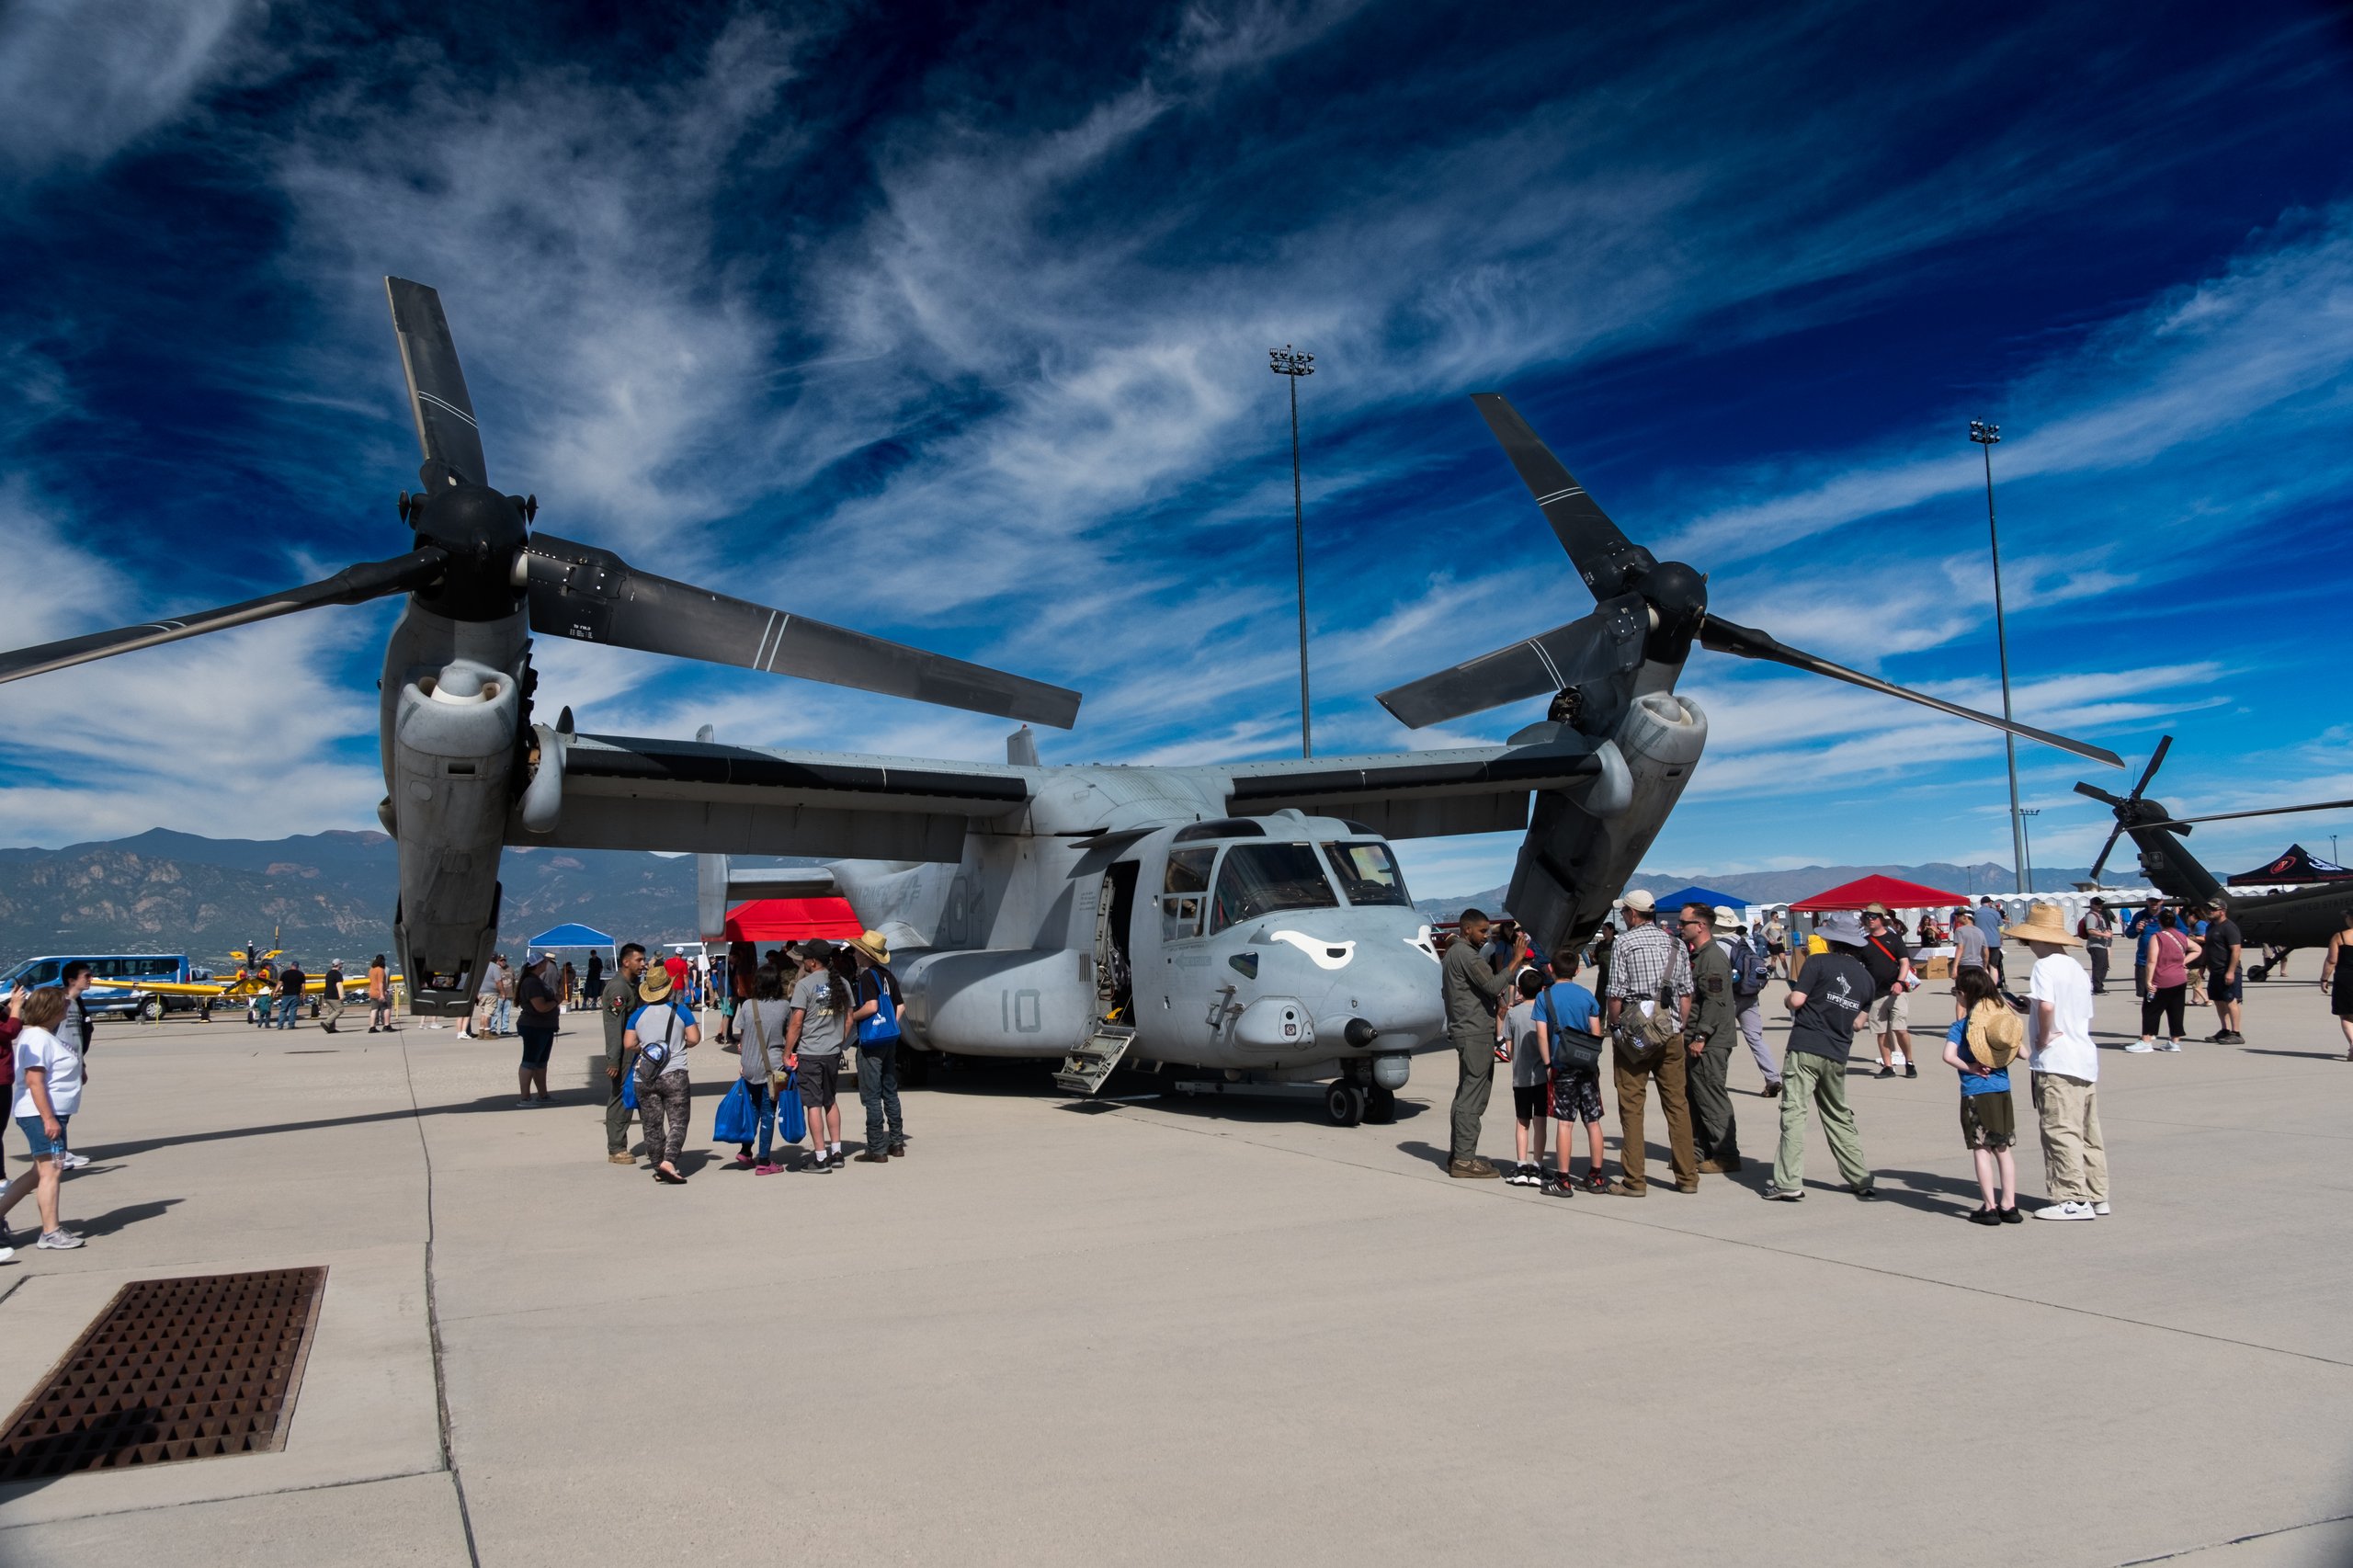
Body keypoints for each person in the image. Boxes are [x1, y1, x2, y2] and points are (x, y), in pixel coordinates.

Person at [1766, 912, 1878, 1202]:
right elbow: (1858, 1023)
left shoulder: (1817, 962)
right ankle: (1860, 1178)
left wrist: (1788, 1000)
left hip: (1806, 1045)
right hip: (1838, 1051)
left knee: (1794, 1113)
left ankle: (1789, 1181)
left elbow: (1798, 999)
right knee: (1838, 1114)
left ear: (1830, 940)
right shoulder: (1866, 979)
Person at [2004, 903, 2106, 1221]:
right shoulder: (2074, 966)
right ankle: (2096, 1193)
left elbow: (2048, 1007)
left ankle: (2071, 1198)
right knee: (2088, 1131)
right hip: (2084, 1057)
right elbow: (2064, 1007)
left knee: (2060, 1130)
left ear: (2037, 938)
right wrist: (2030, 1008)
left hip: (2058, 1060)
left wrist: (2043, 1037)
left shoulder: (2044, 966)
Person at [1603, 890, 1698, 1196]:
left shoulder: (1624, 943)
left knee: (1632, 1105)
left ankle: (1635, 1180)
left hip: (1636, 1031)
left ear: (1632, 913)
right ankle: (1687, 1177)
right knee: (1677, 1105)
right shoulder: (1676, 943)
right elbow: (1686, 992)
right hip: (1670, 1029)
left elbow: (1615, 993)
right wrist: (1679, 1024)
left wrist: (1615, 1026)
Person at [1942, 966, 2024, 1225]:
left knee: (1981, 1148)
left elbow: (1948, 1056)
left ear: (1965, 994)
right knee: (2003, 1148)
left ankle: (1989, 1206)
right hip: (2002, 1090)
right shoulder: (1999, 1024)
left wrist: (1972, 1068)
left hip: (1976, 1092)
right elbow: (2022, 1052)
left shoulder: (1960, 1026)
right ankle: (2009, 1204)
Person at [0, 986, 79, 1250]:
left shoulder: (43, 1036)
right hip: (41, 1114)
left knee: (39, 1172)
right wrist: (48, 1119)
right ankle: (50, 1232)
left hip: (49, 1113)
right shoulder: (37, 1037)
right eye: (64, 1005)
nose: (68, 1009)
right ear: (52, 1008)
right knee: (52, 1170)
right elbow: (35, 1082)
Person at [1441, 908, 1516, 1178]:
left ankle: (1460, 1153)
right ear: (1467, 930)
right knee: (1473, 1095)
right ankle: (1463, 1159)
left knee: (1466, 1092)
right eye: (1483, 930)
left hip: (1467, 1029)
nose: (1487, 935)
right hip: (1474, 1032)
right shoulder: (1467, 955)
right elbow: (1493, 984)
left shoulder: (1454, 954)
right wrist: (1516, 961)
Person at [1531, 952, 1606, 1193]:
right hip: (1586, 1066)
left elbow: (1542, 1034)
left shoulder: (1545, 997)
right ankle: (1596, 1176)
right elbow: (1596, 1033)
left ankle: (1562, 1179)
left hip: (1561, 1067)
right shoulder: (1587, 996)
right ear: (1576, 971)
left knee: (1565, 1123)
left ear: (1550, 968)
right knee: (1592, 1121)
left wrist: (1547, 1063)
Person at [1678, 904, 1744, 1174]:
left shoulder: (1712, 958)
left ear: (1701, 926)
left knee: (1711, 1096)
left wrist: (1701, 1036)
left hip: (1709, 1041)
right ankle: (1699, 1150)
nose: (1680, 927)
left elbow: (1715, 1002)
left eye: (1684, 923)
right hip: (1697, 1036)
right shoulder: (1700, 956)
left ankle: (1726, 1153)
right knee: (1695, 1096)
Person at [625, 968, 699, 1183]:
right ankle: (669, 1161)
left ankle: (659, 1165)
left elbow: (629, 1043)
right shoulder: (681, 1011)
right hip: (674, 1072)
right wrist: (676, 1046)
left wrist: (647, 1050)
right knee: (678, 1121)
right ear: (668, 988)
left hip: (645, 1075)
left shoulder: (637, 1015)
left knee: (651, 1124)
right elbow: (694, 1038)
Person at [786, 939, 851, 1170]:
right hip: (832, 1052)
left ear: (813, 962)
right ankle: (837, 1152)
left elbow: (796, 1023)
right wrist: (839, 1040)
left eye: (805, 958)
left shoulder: (805, 985)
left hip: (810, 1052)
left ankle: (821, 1157)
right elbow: (849, 1018)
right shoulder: (842, 983)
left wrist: (787, 1052)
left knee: (813, 1104)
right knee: (830, 1100)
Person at [846, 930, 907, 1163]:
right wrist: (890, 1025)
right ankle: (897, 1142)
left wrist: (852, 1015)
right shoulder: (887, 975)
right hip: (890, 1039)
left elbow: (871, 1007)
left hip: (871, 1042)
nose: (853, 954)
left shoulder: (867, 977)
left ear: (865, 954)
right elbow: (900, 1007)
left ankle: (876, 1148)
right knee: (890, 1091)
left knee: (871, 1095)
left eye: (856, 951)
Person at [1499, 970, 1552, 1186]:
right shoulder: (1545, 1013)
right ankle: (1537, 1165)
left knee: (1522, 1121)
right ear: (1542, 990)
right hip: (1541, 1077)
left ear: (1519, 990)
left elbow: (1509, 1049)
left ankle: (1521, 1165)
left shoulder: (1513, 1014)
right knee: (1540, 1122)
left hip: (1520, 1077)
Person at [601, 944, 652, 1165]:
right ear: (626, 962)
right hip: (624, 1054)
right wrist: (613, 1059)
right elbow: (614, 1026)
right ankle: (616, 1148)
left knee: (644, 1096)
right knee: (621, 1099)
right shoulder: (619, 989)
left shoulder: (632, 985)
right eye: (639, 960)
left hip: (635, 1050)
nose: (643, 964)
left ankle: (654, 1144)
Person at [735, 970, 788, 1172]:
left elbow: (743, 1035)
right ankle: (764, 1161)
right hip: (773, 1068)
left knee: (753, 1109)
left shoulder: (749, 1005)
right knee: (768, 1113)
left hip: (749, 1065)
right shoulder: (784, 1007)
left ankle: (746, 1150)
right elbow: (789, 1031)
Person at [1859, 905, 1918, 1079]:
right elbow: (1858, 966)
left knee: (1900, 1029)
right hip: (1875, 993)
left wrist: (1899, 982)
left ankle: (1909, 1062)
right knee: (1881, 1032)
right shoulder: (1864, 943)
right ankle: (1888, 1066)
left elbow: (1904, 962)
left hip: (1896, 992)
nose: (1870, 919)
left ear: (1882, 918)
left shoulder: (1894, 939)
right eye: (1867, 916)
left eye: (1874, 916)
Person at [2129, 909, 2200, 1052]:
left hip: (2161, 978)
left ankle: (2146, 1040)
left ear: (2160, 922)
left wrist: (2148, 981)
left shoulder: (2157, 937)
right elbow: (2198, 949)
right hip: (2179, 978)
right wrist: (2182, 961)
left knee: (2151, 1010)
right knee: (2176, 1010)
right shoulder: (2181, 936)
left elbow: (2152, 960)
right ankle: (2175, 1041)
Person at [1727, 912, 1780, 1096]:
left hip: (1731, 996)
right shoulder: (1746, 944)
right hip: (1750, 995)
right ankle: (1772, 1076)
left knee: (1721, 1039)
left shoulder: (1720, 946)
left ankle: (1715, 1080)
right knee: (1756, 1039)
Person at [514, 956, 561, 1107]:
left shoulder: (535, 980)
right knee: (529, 1062)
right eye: (545, 962)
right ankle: (525, 1097)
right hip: (535, 1026)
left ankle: (543, 1095)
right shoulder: (532, 982)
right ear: (538, 965)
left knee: (541, 1062)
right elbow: (540, 1007)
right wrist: (556, 1001)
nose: (547, 964)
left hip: (543, 1026)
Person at [2202, 898, 2245, 1044]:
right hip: (2215, 971)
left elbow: (2236, 950)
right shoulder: (2210, 927)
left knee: (2231, 1001)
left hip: (2228, 970)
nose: (2210, 911)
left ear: (2222, 911)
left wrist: (2231, 971)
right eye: (2208, 909)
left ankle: (2236, 1033)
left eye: (2213, 909)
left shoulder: (2229, 927)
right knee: (2218, 1000)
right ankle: (2225, 1030)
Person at [2321, 911, 2353, 1062]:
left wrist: (2324, 979)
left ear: (2350, 919)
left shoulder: (2339, 936)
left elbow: (2331, 960)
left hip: (2345, 979)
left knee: (2345, 1014)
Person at [2125, 897, 2163, 1001]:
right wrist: (2136, 929)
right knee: (2144, 994)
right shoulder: (2140, 915)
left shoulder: (2167, 915)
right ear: (2147, 901)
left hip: (2163, 962)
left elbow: (2183, 931)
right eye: (2151, 901)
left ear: (2162, 901)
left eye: (2157, 901)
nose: (2154, 903)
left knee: (2162, 993)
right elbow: (2129, 934)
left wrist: (2169, 931)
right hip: (2143, 961)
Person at [2078, 898, 2115, 994]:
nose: (2100, 906)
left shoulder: (2099, 915)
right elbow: (2090, 930)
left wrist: (2107, 932)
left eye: (2101, 904)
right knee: (2098, 967)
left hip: (2102, 945)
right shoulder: (2091, 916)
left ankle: (2099, 986)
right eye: (2097, 904)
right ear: (2092, 905)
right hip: (2095, 945)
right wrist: (2105, 935)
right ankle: (2097, 988)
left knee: (2104, 966)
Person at [1952, 909, 1990, 983]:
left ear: (1965, 917)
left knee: (1963, 991)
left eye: (1958, 916)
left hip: (1964, 965)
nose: (1957, 918)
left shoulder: (1959, 930)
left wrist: (1954, 968)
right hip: (1978, 966)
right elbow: (1986, 951)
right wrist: (1985, 967)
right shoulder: (1980, 931)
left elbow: (1960, 948)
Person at [1975, 896, 2006, 983]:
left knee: (1983, 965)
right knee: (1993, 966)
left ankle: (1986, 985)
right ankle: (1994, 986)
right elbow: (2001, 928)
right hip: (1994, 942)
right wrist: (2000, 937)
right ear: (1989, 903)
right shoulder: (1995, 913)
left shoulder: (1976, 913)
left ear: (1981, 904)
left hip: (1981, 943)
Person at [276, 959, 305, 1030]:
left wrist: (275, 991)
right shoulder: (301, 974)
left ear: (291, 966)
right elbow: (303, 986)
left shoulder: (285, 973)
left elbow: (280, 983)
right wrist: (303, 994)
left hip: (285, 994)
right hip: (295, 994)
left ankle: (280, 1025)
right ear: (297, 967)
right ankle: (291, 1025)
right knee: (293, 1010)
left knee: (283, 1010)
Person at [367, 954, 392, 1033]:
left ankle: (372, 1027)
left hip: (372, 992)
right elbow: (380, 983)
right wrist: (382, 994)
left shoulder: (371, 970)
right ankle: (387, 1025)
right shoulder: (381, 970)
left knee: (374, 1010)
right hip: (380, 992)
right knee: (387, 1007)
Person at [494, 954, 517, 1036]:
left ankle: (504, 1029)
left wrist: (514, 992)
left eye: (504, 960)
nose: (503, 962)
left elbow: (514, 981)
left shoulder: (510, 969)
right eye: (501, 960)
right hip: (499, 995)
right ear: (498, 961)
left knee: (506, 1013)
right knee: (496, 1012)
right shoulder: (496, 969)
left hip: (509, 994)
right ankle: (493, 1029)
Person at [1763, 913, 1788, 980]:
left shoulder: (1779, 924)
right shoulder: (1769, 924)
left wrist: (1782, 936)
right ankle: (1775, 974)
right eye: (1776, 916)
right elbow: (1762, 932)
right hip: (1773, 944)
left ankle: (1787, 973)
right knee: (1774, 958)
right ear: (1772, 917)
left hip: (1779, 944)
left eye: (1778, 916)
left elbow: (1783, 932)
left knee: (1783, 958)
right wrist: (1769, 940)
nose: (1778, 917)